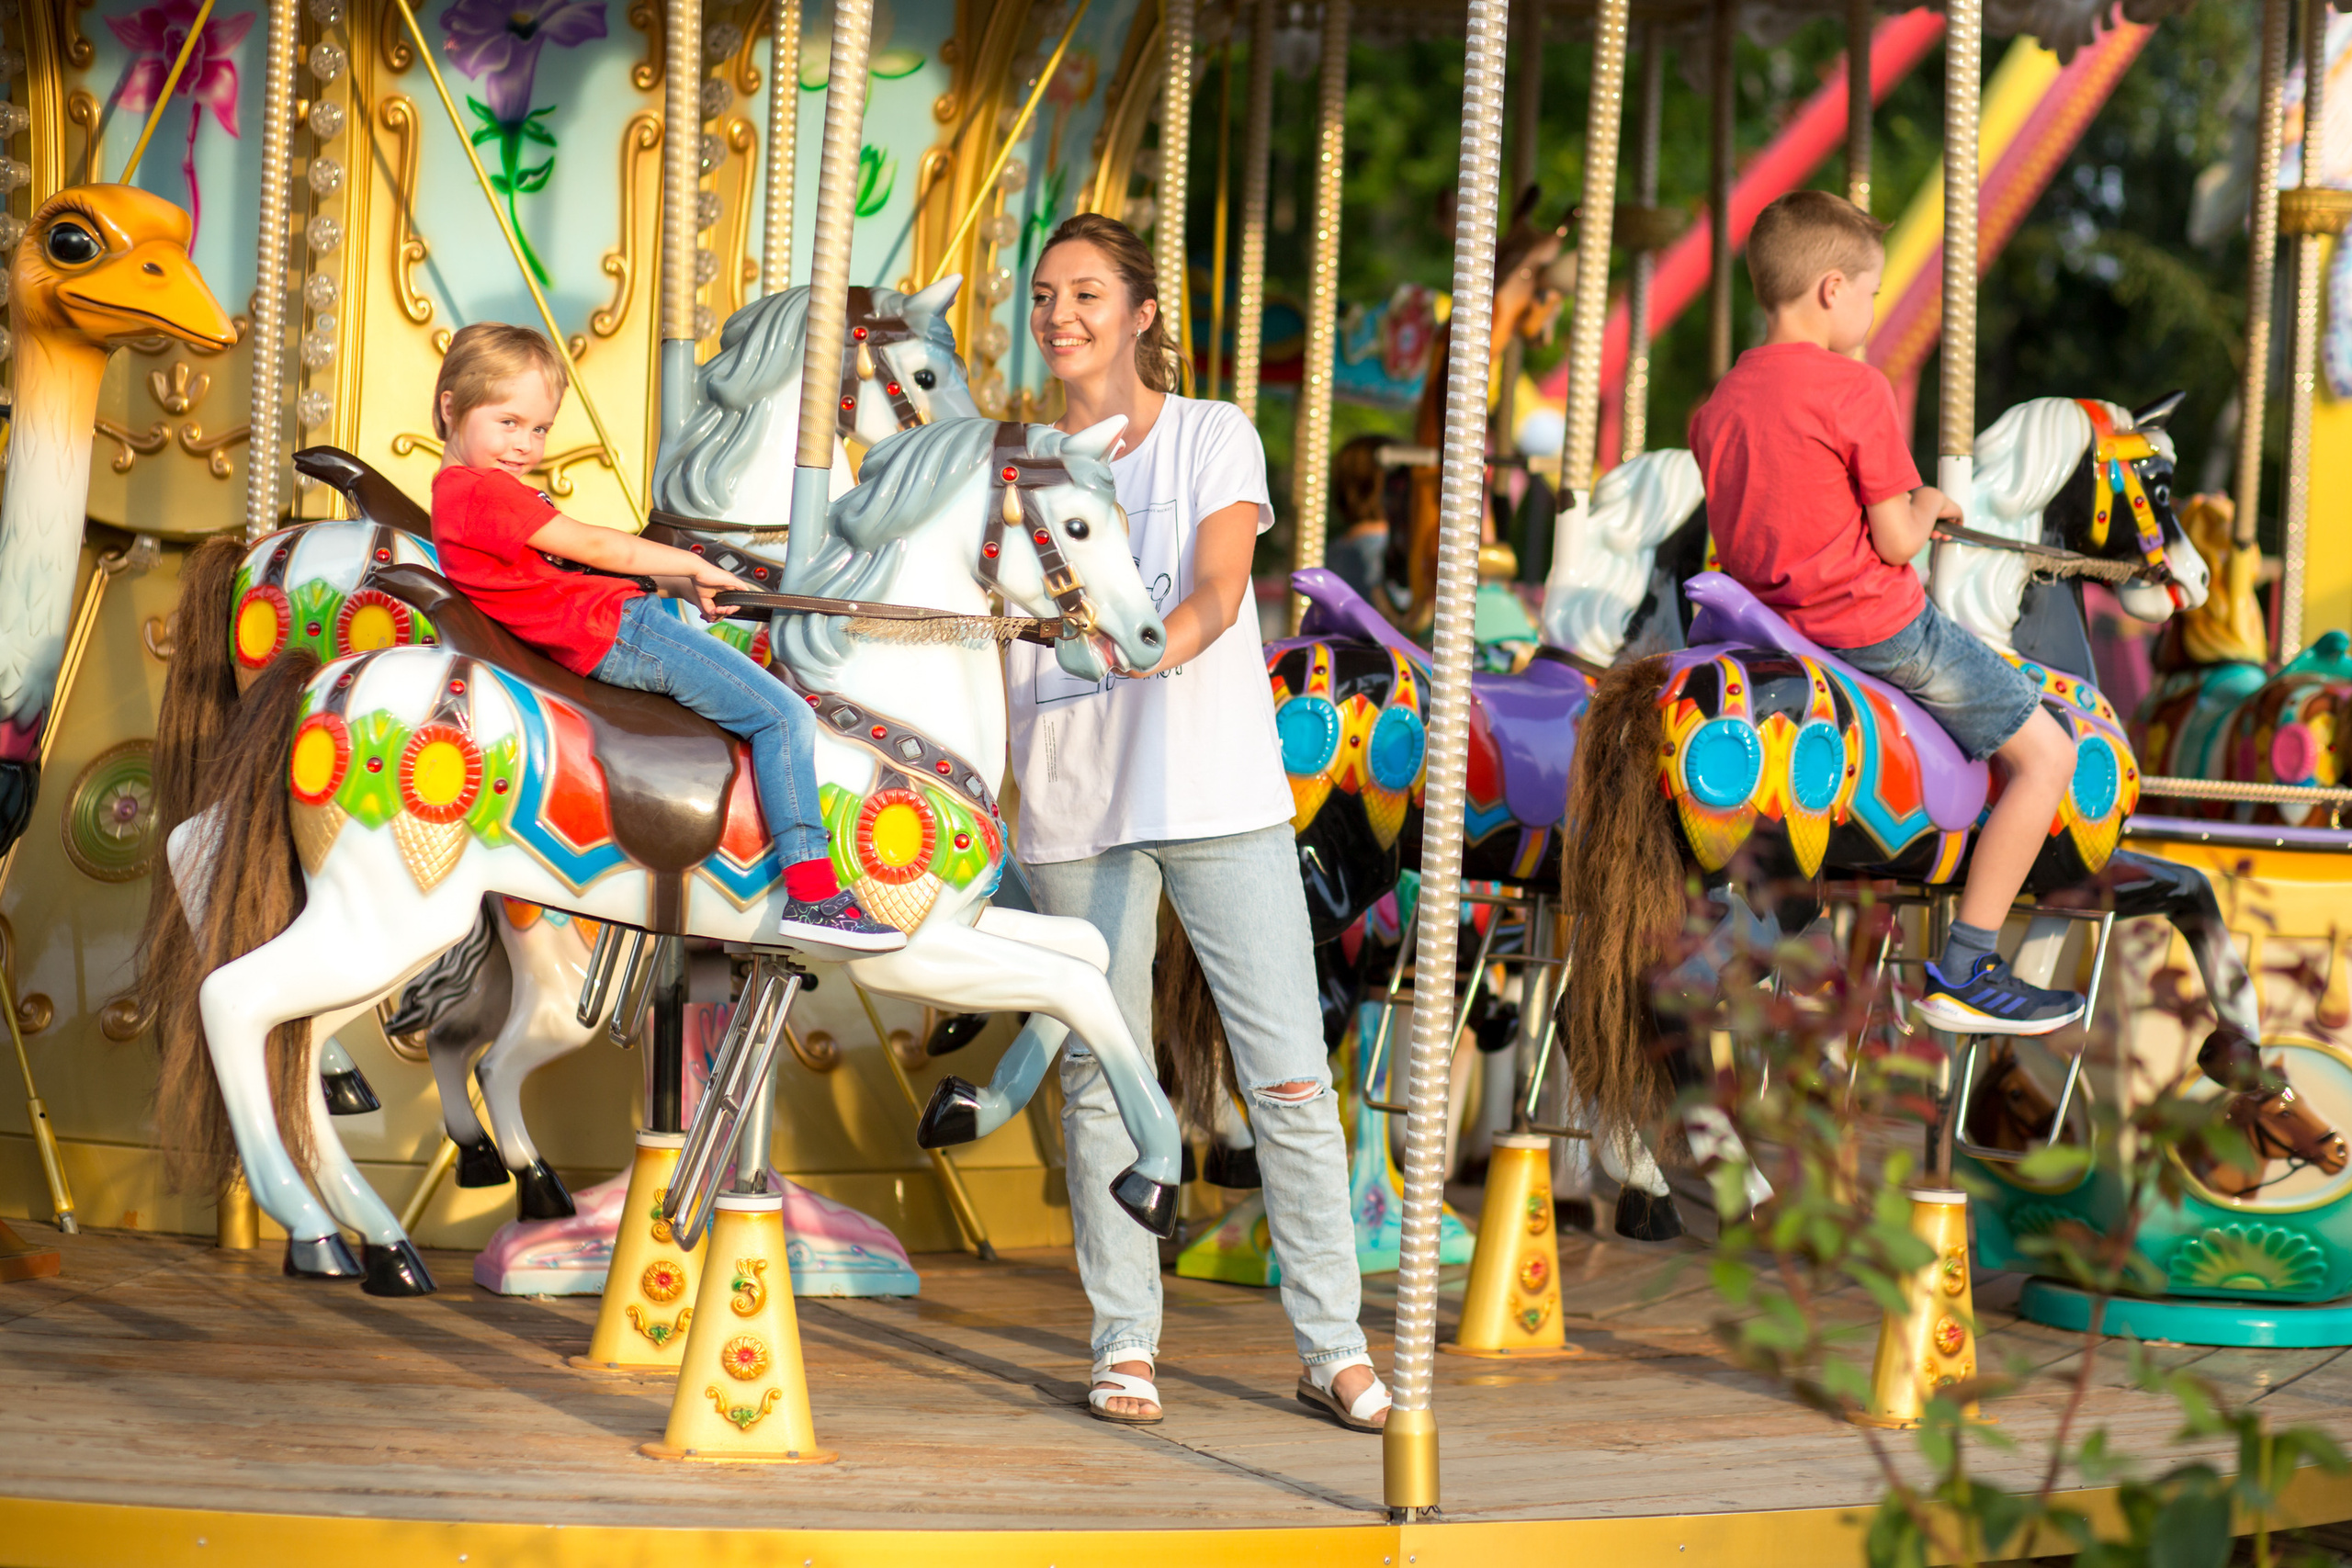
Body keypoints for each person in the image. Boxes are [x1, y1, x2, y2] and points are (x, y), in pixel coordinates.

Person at [1008, 214, 1391, 1431]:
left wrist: (1146, 644)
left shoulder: (1212, 432)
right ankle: (1124, 1337)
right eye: (1046, 294)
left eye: (1086, 292)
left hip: (1215, 783)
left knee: (1284, 1070)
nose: (1062, 313)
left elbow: (1223, 586)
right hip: (1074, 789)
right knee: (1100, 1073)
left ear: (1142, 310)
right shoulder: (1009, 461)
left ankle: (1331, 1341)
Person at [1688, 190, 2083, 1035]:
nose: (1871, 311)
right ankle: (1973, 959)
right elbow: (1897, 541)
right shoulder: (1855, 388)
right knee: (2050, 753)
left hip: (1764, 636)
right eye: (1870, 293)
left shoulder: (1717, 405)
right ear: (1831, 289)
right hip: (1874, 631)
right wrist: (1932, 501)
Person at [426, 321, 902, 953]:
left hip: (618, 625)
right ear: (450, 406)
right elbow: (592, 544)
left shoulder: (463, 494)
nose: (525, 445)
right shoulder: (482, 492)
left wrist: (676, 587)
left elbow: (563, 571)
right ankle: (815, 892)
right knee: (783, 715)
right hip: (623, 633)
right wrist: (692, 566)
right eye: (508, 422)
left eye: (539, 429)